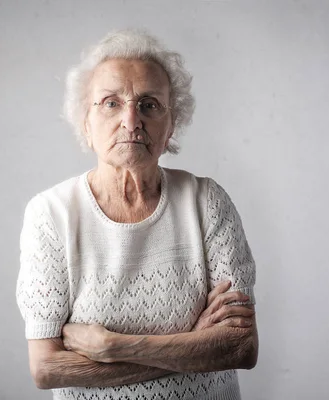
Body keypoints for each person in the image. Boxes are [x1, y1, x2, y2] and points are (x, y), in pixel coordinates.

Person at [16, 29, 258, 400]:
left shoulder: (207, 201)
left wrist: (114, 347)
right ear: (85, 122)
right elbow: (46, 369)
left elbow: (240, 347)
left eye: (149, 104)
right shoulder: (51, 215)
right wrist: (194, 345)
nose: (131, 121)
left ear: (171, 125)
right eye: (110, 103)